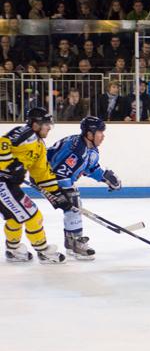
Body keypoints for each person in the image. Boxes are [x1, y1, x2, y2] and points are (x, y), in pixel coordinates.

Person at [1, 108, 70, 264]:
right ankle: (43, 251)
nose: (49, 128)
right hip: (2, 182)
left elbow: (41, 174)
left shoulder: (39, 145)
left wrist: (57, 193)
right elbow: (2, 143)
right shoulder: (25, 134)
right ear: (35, 124)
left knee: (15, 217)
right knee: (33, 215)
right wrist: (10, 165)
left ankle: (13, 249)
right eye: (46, 124)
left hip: (7, 184)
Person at [46, 116, 121, 259]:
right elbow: (59, 173)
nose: (103, 136)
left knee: (73, 203)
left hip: (57, 177)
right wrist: (68, 194)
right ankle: (75, 243)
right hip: (45, 178)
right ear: (89, 134)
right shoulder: (76, 149)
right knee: (73, 203)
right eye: (100, 132)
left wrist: (105, 177)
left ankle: (71, 243)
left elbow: (90, 168)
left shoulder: (91, 149)